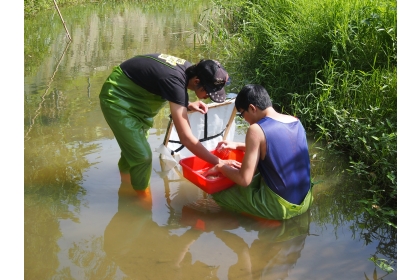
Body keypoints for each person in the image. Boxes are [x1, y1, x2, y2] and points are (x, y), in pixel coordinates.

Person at [99, 53, 239, 194]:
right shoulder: (175, 80)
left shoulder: (191, 70)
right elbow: (186, 138)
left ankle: (125, 182)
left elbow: (166, 85)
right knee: (142, 157)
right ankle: (140, 198)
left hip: (139, 102)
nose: (208, 97)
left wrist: (186, 104)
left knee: (133, 151)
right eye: (208, 92)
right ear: (196, 81)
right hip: (118, 98)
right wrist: (220, 162)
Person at [205, 84, 313, 220]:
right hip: (305, 201)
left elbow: (244, 180)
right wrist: (236, 145)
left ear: (252, 108)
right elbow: (274, 147)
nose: (244, 119)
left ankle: (262, 221)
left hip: (279, 208)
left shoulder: (256, 130)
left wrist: (221, 167)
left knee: (219, 194)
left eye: (242, 114)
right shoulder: (295, 121)